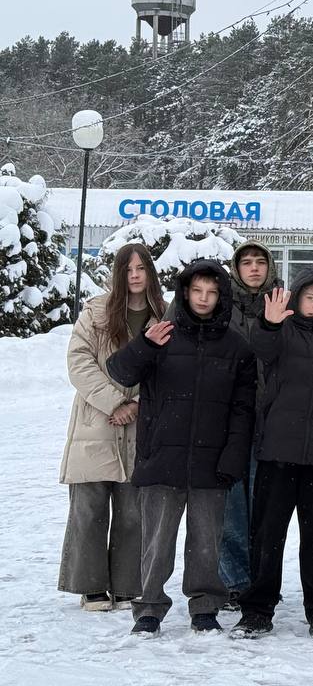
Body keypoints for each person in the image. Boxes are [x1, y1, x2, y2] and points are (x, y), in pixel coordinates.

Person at [106, 260, 256, 637]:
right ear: (185, 293)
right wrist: (144, 344)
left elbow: (243, 410)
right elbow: (120, 372)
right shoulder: (162, 336)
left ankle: (204, 606)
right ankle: (149, 608)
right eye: (197, 291)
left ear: (221, 297)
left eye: (212, 292)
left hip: (212, 463)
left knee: (207, 543)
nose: (204, 299)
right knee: (156, 543)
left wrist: (233, 456)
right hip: (162, 458)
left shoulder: (237, 347)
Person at [229, 273, 313, 643]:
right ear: (298, 298)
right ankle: (257, 612)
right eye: (311, 298)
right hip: (278, 453)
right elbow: (261, 349)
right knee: (267, 537)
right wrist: (270, 324)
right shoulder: (281, 330)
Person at [58, 244, 164, 612]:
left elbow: (172, 371)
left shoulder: (164, 315)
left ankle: (127, 583)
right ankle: (90, 586)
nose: (135, 275)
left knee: (133, 511)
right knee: (88, 509)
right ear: (118, 274)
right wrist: (114, 402)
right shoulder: (96, 313)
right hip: (96, 421)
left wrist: (137, 404)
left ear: (150, 272)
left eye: (141, 268)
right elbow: (79, 362)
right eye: (127, 269)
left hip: (140, 424)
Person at [218, 240, 283, 611]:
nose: (255, 268)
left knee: (263, 508)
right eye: (247, 262)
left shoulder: (284, 302)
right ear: (236, 268)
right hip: (227, 420)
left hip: (271, 421)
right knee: (230, 507)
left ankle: (260, 580)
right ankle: (234, 581)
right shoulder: (221, 304)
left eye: (261, 261)